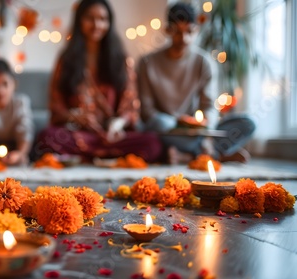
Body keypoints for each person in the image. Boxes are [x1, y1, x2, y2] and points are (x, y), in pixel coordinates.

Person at [34, 0, 162, 162]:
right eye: (90, 18)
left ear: (109, 22)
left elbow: (130, 105)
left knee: (152, 143)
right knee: (47, 137)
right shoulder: (67, 60)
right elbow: (56, 105)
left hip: (112, 136)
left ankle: (83, 157)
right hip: (80, 135)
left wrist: (118, 123)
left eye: (102, 19)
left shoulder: (119, 59)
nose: (96, 24)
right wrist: (75, 116)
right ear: (79, 20)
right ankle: (106, 157)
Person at [137, 2, 255, 163]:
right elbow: (147, 112)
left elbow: (208, 107)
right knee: (159, 124)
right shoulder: (147, 63)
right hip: (167, 128)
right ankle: (212, 154)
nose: (184, 38)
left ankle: (188, 154)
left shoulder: (204, 62)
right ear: (167, 30)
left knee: (247, 123)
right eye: (177, 32)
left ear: (197, 30)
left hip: (196, 131)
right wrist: (180, 124)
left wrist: (205, 132)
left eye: (189, 31)